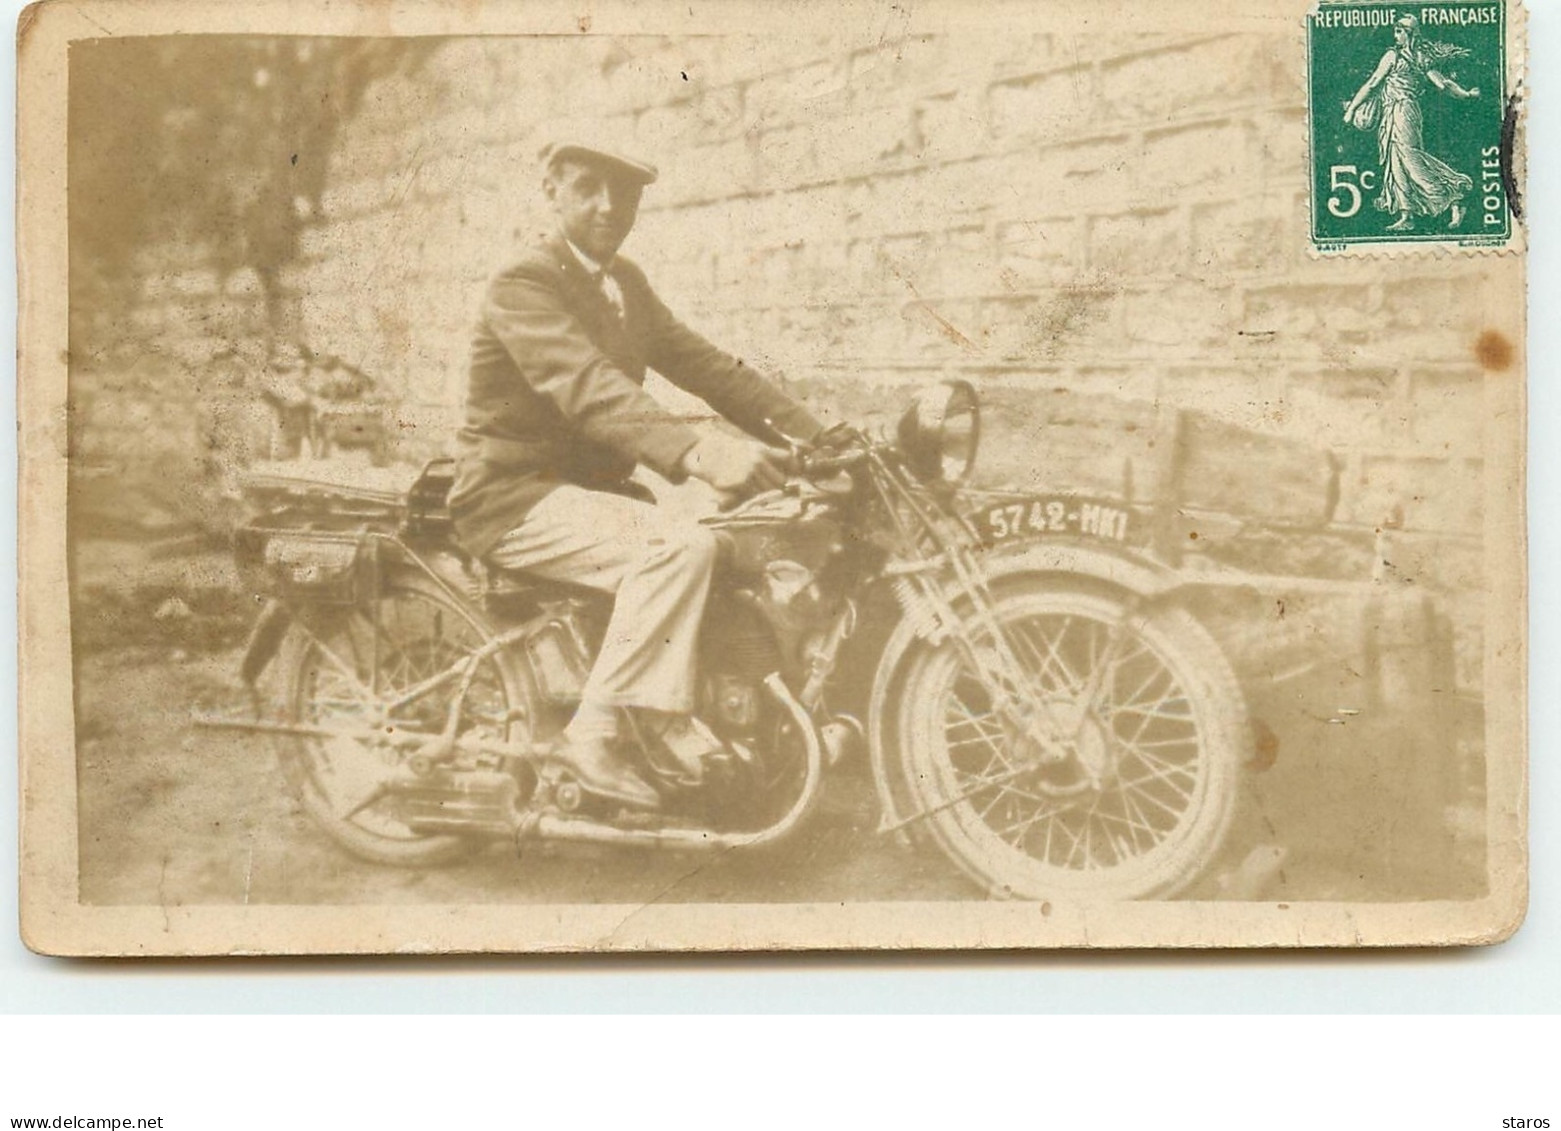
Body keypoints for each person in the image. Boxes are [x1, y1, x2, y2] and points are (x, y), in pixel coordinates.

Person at [448, 131, 829, 808]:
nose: (606, 206)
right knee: (679, 544)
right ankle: (592, 735)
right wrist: (699, 453)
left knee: (724, 544)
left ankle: (689, 720)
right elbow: (584, 382)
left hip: (585, 496)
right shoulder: (524, 284)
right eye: (587, 188)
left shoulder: (623, 283)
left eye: (622, 193)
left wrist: (820, 439)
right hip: (512, 497)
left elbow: (709, 368)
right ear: (550, 190)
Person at [1343, 13, 1480, 232]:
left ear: (1410, 34)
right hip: (1392, 112)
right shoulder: (1412, 57)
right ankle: (1406, 215)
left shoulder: (1399, 56)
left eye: (1400, 31)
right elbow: (1442, 83)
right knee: (1395, 161)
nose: (1395, 35)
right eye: (1395, 30)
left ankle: (1455, 195)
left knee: (1410, 158)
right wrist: (1466, 94)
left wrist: (1351, 109)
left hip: (1404, 111)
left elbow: (1373, 83)